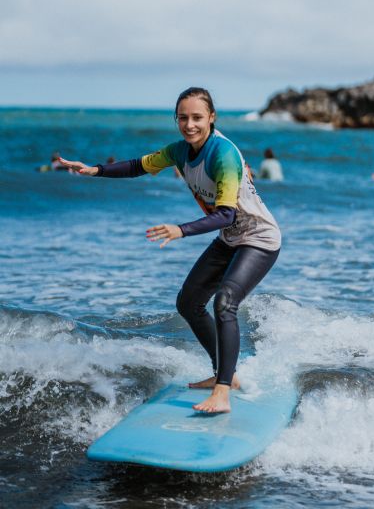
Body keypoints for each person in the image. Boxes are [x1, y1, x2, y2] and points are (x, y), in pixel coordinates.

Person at [58, 88, 281, 414]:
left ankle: (222, 393)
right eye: (183, 118)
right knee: (188, 302)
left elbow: (227, 214)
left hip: (259, 238)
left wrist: (181, 229)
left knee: (225, 302)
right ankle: (226, 375)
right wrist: (96, 170)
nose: (189, 125)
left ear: (212, 118)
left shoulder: (224, 155)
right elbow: (139, 165)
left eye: (197, 118)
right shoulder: (180, 151)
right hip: (230, 238)